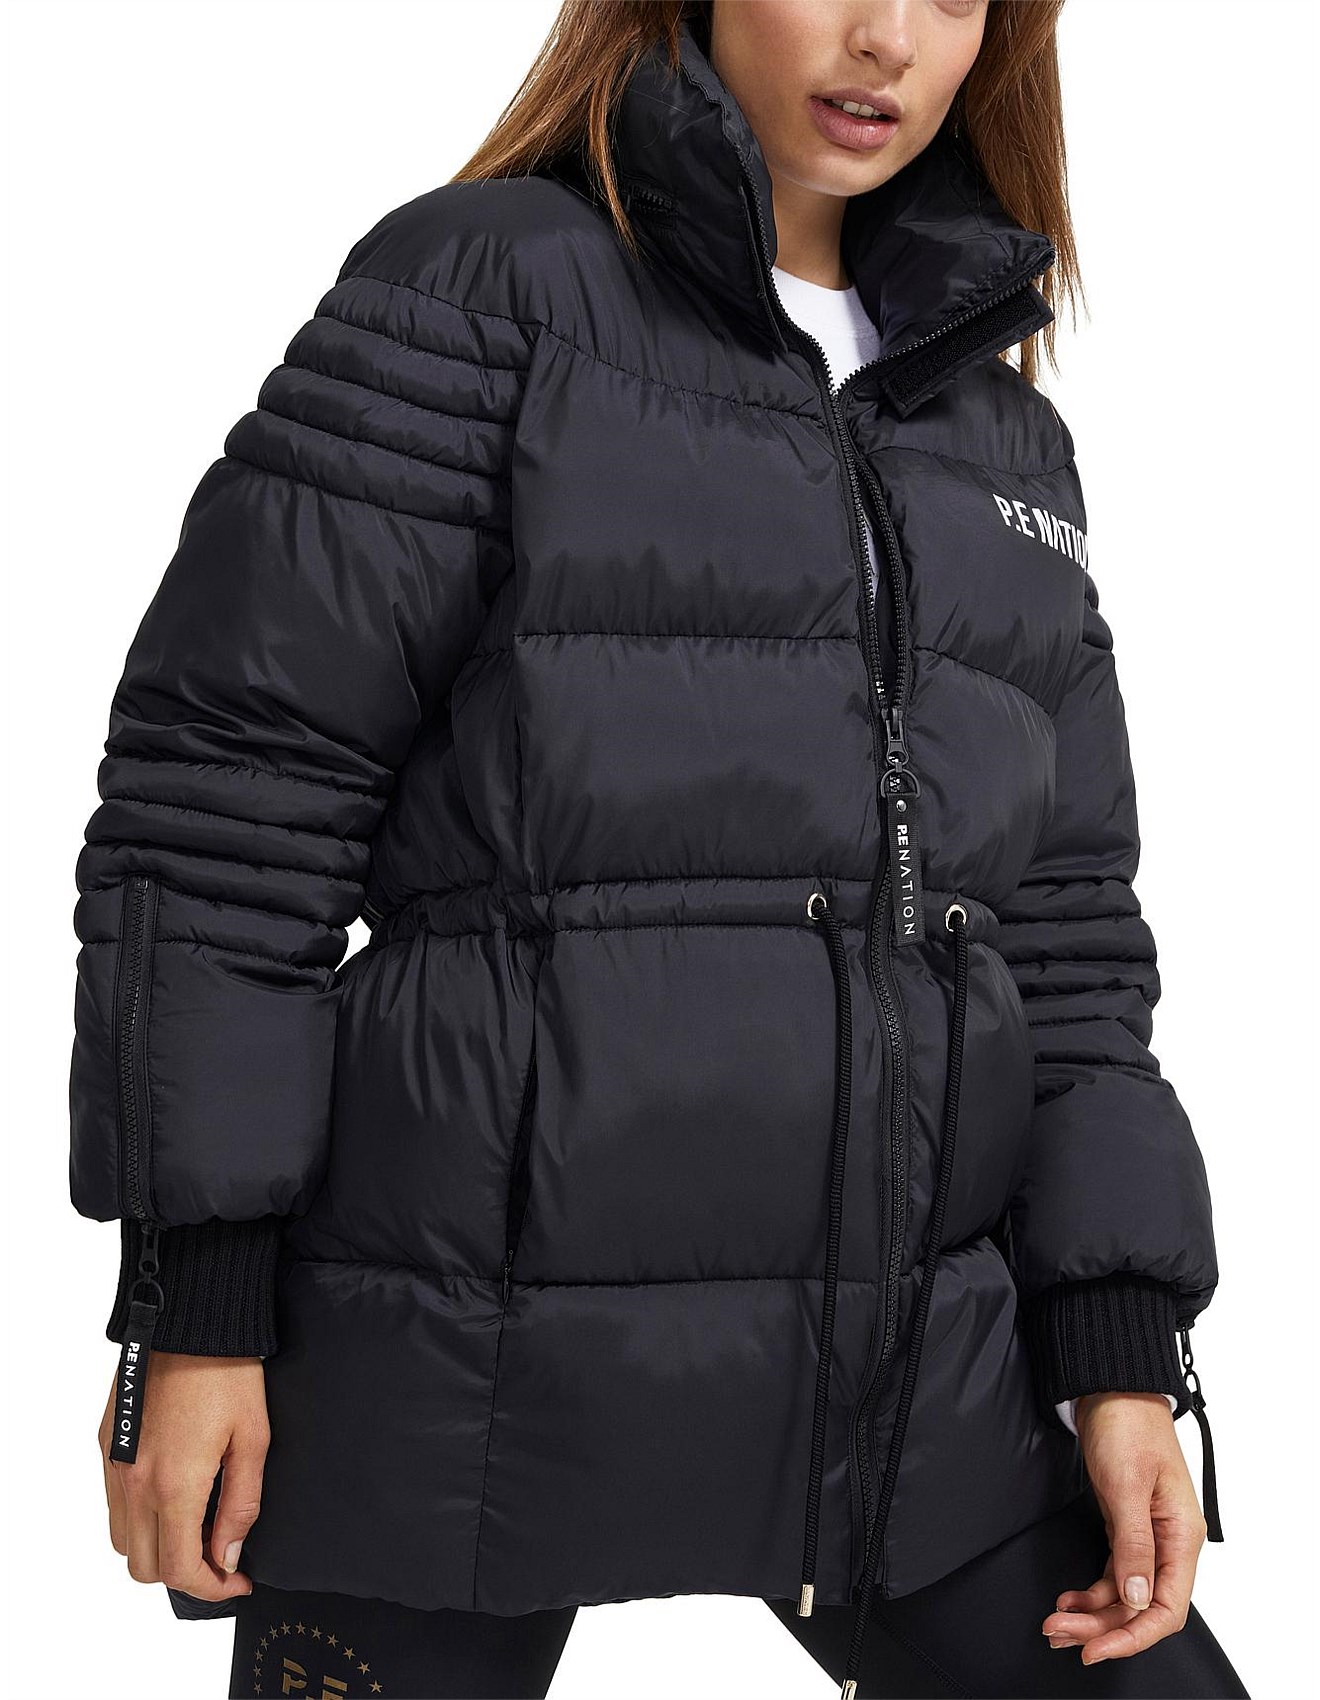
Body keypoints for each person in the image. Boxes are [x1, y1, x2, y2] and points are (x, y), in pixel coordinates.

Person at [70, 3, 1250, 1696]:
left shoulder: (999, 436)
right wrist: (197, 1305)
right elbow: (232, 804)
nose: (885, 37)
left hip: (906, 1397)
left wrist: (1119, 1347)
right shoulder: (483, 289)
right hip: (446, 1379)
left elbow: (1058, 939)